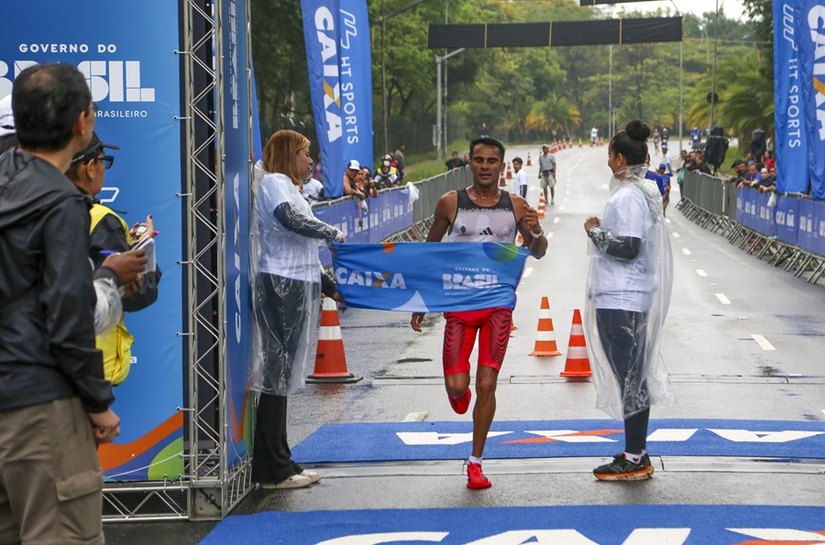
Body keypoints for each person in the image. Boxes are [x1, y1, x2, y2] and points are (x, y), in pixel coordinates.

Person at [0, 62, 120, 545]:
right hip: (41, 405)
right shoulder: (60, 203)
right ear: (82, 123)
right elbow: (68, 314)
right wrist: (98, 402)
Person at [410, 137, 547, 490]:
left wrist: (535, 231)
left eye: (492, 161)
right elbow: (430, 255)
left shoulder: (516, 205)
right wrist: (421, 302)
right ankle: (460, 395)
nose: (486, 166)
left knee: (487, 383)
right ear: (469, 163)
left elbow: (539, 250)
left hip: (498, 306)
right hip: (459, 307)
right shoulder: (449, 203)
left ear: (502, 166)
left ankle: (475, 462)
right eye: (479, 160)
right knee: (458, 388)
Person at [250, 129, 346, 489]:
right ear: (291, 155)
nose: (310, 161)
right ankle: (271, 467)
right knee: (276, 375)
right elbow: (291, 220)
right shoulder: (275, 182)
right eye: (306, 154)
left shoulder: (291, 187)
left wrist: (328, 286)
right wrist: (331, 232)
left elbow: (304, 248)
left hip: (297, 282)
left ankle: (282, 459)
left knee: (284, 376)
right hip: (279, 283)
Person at [582, 120, 674, 481]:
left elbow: (629, 246)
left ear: (619, 158)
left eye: (609, 156)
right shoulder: (641, 192)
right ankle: (635, 451)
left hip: (622, 297)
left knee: (631, 378)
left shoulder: (630, 196)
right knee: (630, 377)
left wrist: (594, 231)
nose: (607, 162)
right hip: (624, 296)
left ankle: (636, 456)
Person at [66, 132, 162, 386]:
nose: (103, 169)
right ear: (88, 168)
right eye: (102, 161)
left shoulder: (33, 207)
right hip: (89, 367)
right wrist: (145, 252)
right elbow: (136, 293)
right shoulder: (102, 220)